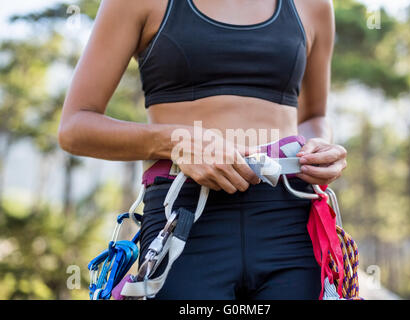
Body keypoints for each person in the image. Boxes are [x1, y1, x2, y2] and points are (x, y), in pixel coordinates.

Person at [58, 0, 347, 300]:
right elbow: (75, 126)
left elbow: (314, 117)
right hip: (184, 219)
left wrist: (321, 149)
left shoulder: (313, 5)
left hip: (290, 218)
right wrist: (175, 141)